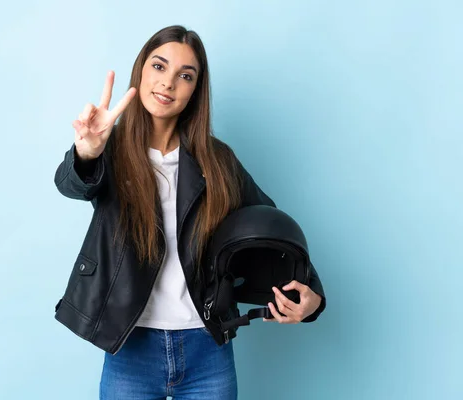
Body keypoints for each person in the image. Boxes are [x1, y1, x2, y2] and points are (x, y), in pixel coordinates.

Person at [54, 25, 326, 400]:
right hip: (130, 346)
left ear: (195, 90)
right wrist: (87, 151)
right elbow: (72, 184)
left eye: (185, 76)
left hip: (206, 349)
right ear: (141, 72)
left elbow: (272, 230)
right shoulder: (110, 152)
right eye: (159, 67)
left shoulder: (217, 161)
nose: (168, 83)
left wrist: (312, 295)